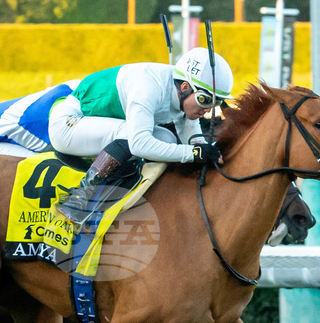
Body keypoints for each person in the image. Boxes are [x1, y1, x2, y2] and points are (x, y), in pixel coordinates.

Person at [50, 47, 232, 224]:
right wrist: (193, 153)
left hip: (95, 125)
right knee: (132, 135)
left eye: (217, 102)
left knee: (166, 139)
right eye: (205, 100)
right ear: (184, 86)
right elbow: (139, 144)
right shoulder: (148, 86)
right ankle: (79, 200)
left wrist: (206, 151)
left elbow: (191, 138)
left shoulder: (180, 89)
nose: (208, 109)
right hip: (68, 125)